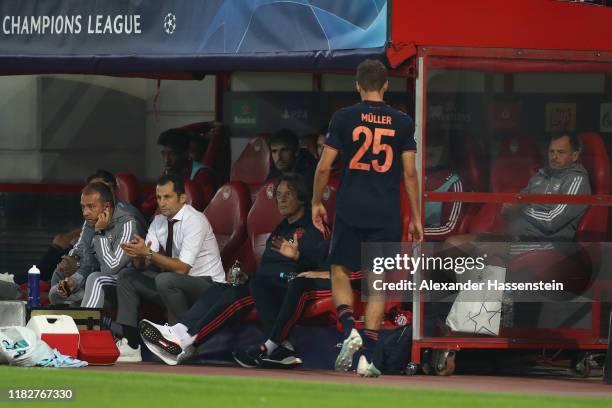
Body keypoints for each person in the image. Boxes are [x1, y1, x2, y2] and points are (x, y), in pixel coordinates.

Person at [138, 174, 344, 367]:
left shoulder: (314, 226)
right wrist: (247, 276)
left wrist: (298, 257)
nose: (281, 199)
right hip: (265, 282)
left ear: (301, 198)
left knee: (237, 296)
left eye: (287, 194)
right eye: (278, 194)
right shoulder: (281, 228)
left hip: (288, 284)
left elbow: (322, 262)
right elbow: (268, 266)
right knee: (222, 288)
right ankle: (179, 330)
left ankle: (185, 341)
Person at [312, 59, 422, 377]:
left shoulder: (344, 117)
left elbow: (323, 167)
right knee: (377, 284)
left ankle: (350, 332)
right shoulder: (402, 122)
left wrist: (316, 202)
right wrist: (415, 217)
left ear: (357, 85)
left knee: (340, 271)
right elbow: (410, 174)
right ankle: (369, 359)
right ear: (386, 86)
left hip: (349, 208)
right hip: (386, 212)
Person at [116, 174, 225, 362]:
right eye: (159, 198)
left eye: (167, 197)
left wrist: (148, 254)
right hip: (175, 285)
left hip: (208, 288)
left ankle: (184, 342)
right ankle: (131, 345)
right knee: (127, 276)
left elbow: (182, 268)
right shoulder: (158, 222)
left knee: (165, 279)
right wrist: (139, 254)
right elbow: (144, 265)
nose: (162, 203)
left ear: (182, 198)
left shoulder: (195, 220)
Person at [49, 182, 145, 307]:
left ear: (106, 207)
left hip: (123, 281)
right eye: (83, 207)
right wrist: (74, 278)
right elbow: (87, 259)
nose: (85, 213)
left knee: (96, 279)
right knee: (55, 291)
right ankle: (77, 315)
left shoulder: (128, 224)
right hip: (95, 277)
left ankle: (87, 323)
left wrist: (99, 234)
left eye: (91, 206)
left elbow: (111, 268)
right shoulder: (90, 220)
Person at [141, 128, 216, 216]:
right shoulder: (167, 173)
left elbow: (205, 208)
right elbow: (148, 206)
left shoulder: (202, 174)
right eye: (163, 154)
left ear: (186, 153)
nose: (166, 160)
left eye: (171, 154)